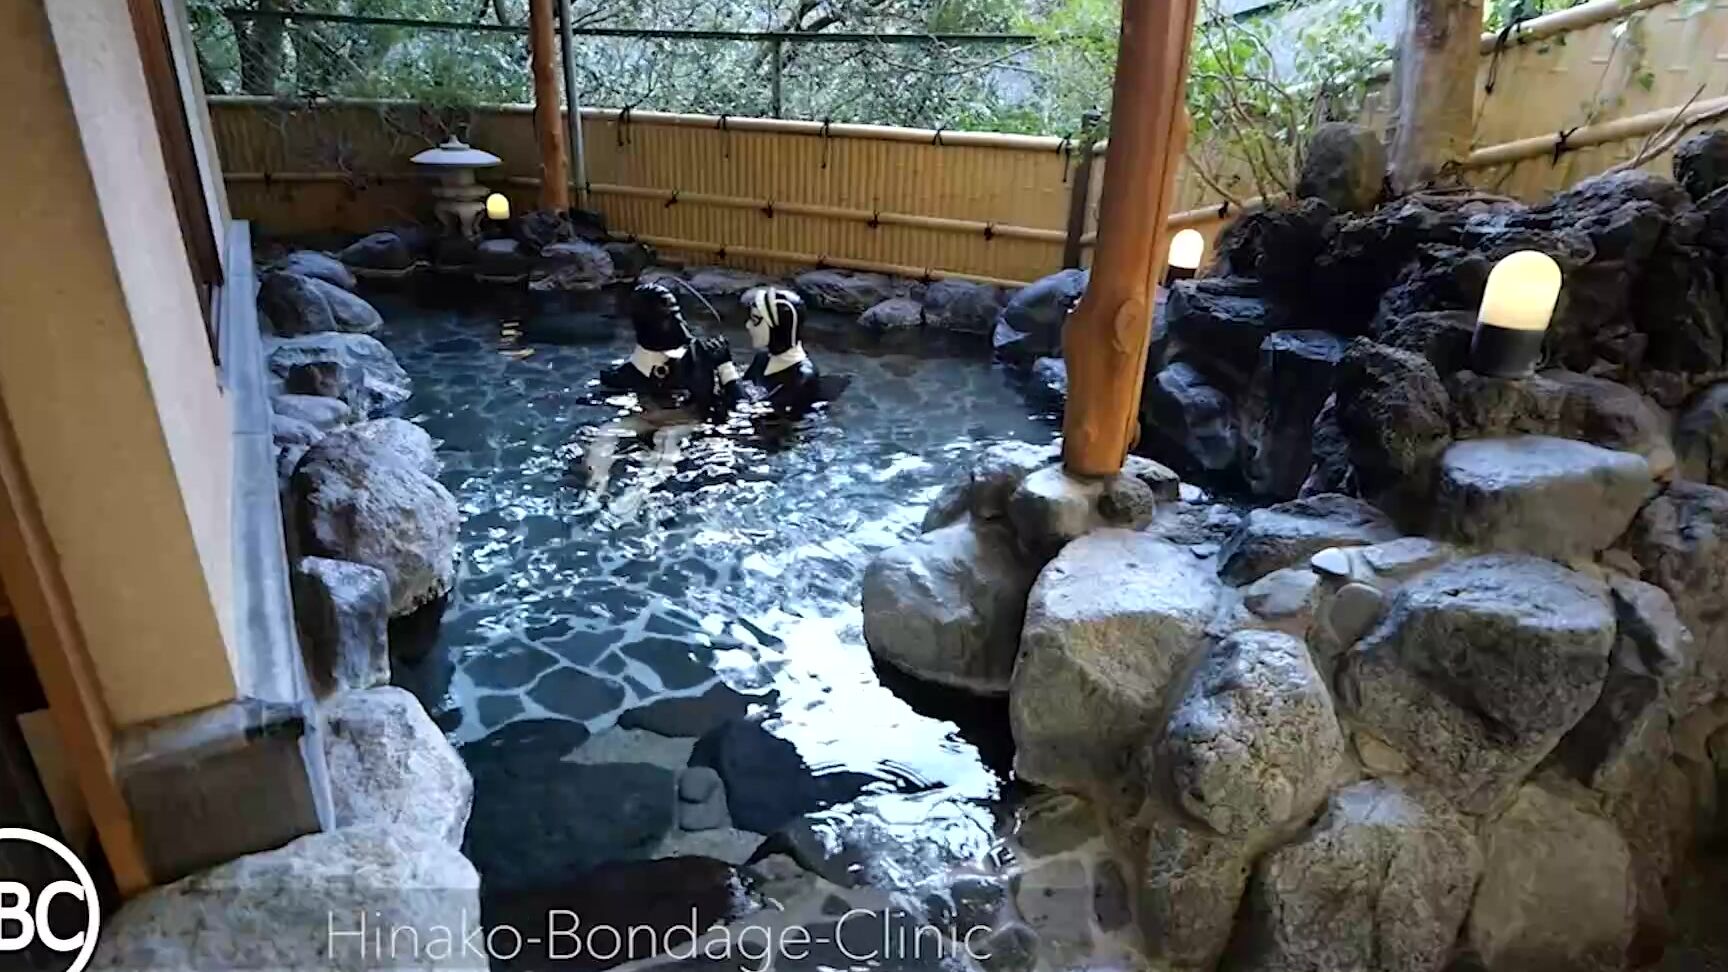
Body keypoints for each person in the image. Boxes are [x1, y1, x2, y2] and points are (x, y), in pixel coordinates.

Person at [599, 281, 737, 415]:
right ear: (645, 326)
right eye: (668, 318)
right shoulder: (618, 380)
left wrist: (725, 369)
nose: (681, 326)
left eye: (678, 314)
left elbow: (740, 407)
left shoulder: (696, 362)